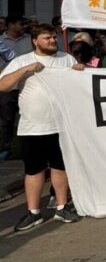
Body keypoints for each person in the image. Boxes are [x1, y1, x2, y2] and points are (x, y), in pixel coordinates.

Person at [0, 24, 83, 231]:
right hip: (33, 128)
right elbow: (3, 85)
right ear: (35, 41)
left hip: (61, 125)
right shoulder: (22, 61)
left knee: (60, 167)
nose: (53, 41)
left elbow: (80, 88)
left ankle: (62, 207)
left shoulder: (67, 59)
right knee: (34, 171)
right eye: (47, 38)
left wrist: (79, 72)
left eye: (54, 38)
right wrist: (26, 70)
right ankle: (33, 212)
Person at [0, 16, 33, 152]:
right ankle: (6, 146)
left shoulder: (30, 39)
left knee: (20, 115)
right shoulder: (2, 40)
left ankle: (18, 147)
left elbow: (12, 56)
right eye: (21, 23)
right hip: (8, 85)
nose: (24, 26)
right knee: (6, 117)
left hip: (22, 84)